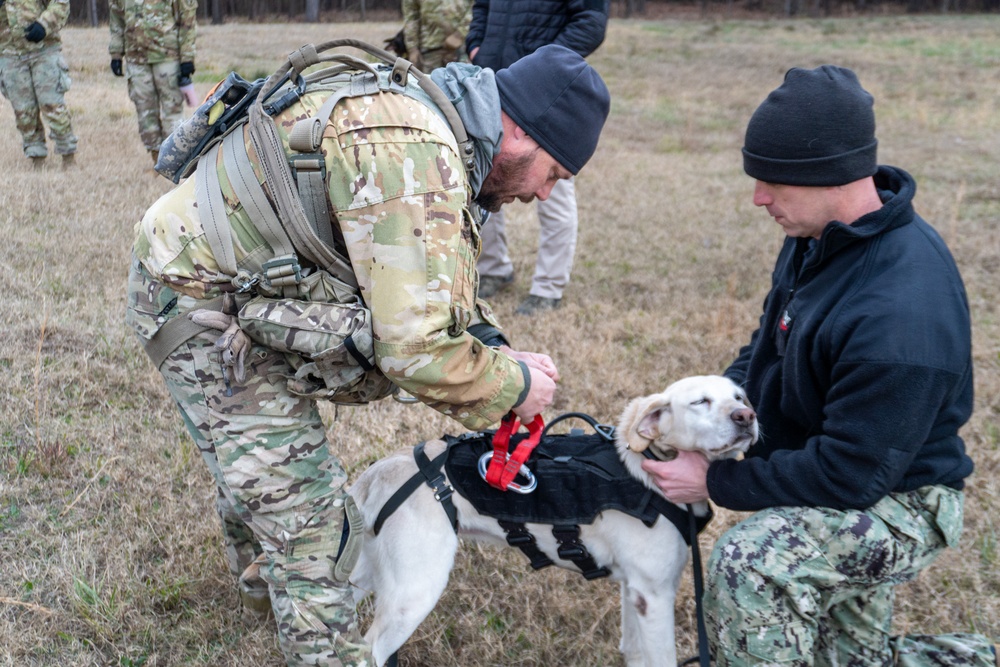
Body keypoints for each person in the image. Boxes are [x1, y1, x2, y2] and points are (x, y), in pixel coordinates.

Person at [125, 44, 609, 667]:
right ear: (520, 133)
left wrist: (494, 349)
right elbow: (415, 350)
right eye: (554, 173)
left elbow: (429, 287)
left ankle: (261, 584)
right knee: (317, 533)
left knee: (260, 455)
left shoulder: (439, 123)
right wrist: (514, 389)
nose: (545, 194)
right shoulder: (414, 149)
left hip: (230, 281)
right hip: (199, 300)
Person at [641, 65, 998, 667]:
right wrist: (721, 416)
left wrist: (715, 481)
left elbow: (852, 477)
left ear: (829, 175)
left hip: (902, 501)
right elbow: (768, 344)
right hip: (825, 464)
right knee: (852, 660)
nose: (758, 198)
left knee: (753, 563)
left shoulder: (901, 312)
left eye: (772, 182)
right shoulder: (819, 236)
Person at [465, 0, 609, 315]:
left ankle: (548, 287)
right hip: (494, 85)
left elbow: (592, 21)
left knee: (551, 193)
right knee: (486, 183)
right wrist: (476, 45)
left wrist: (543, 68)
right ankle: (492, 268)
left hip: (542, 102)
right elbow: (482, 7)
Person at [108, 0, 197, 164]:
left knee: (173, 111)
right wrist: (116, 53)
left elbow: (187, 19)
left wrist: (187, 57)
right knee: (145, 113)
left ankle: (175, 161)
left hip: (168, 58)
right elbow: (116, 19)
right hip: (136, 59)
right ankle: (157, 161)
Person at [0, 0, 78, 168]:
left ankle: (68, 158)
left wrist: (44, 25)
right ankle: (37, 160)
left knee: (52, 106)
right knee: (24, 112)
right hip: (9, 54)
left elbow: (60, 3)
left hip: (43, 50)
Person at [401, 0, 471, 71]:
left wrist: (460, 34)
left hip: (463, 48)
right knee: (429, 80)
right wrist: (412, 49)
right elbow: (411, 17)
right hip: (430, 51)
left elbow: (476, 8)